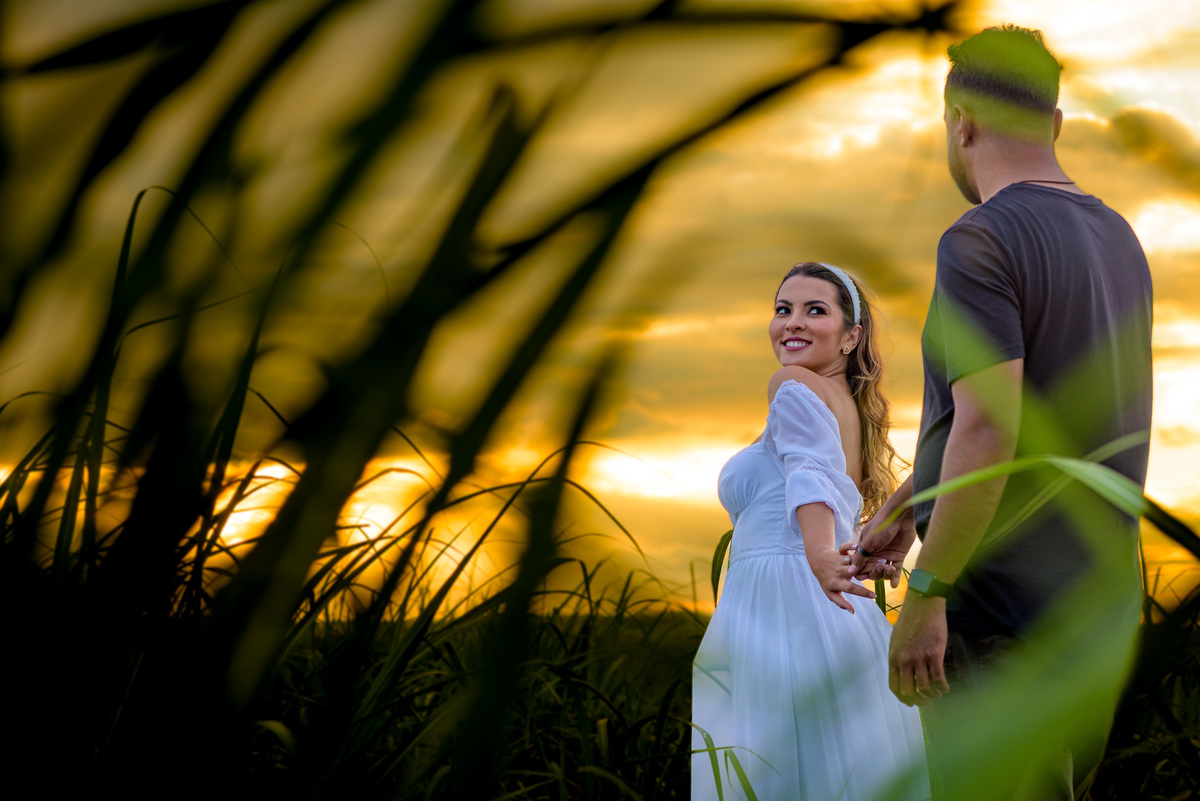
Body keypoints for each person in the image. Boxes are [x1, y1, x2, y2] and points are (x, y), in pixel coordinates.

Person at [852, 25, 1153, 801]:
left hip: (997, 615)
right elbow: (1054, 414)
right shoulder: (1119, 238)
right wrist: (913, 497)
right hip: (1096, 609)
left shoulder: (980, 239)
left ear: (961, 121)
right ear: (1055, 123)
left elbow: (991, 425)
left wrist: (927, 594)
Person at [692, 262, 929, 801]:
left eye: (814, 310)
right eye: (783, 310)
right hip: (842, 615)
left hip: (782, 604)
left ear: (852, 336)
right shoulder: (848, 410)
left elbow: (809, 470)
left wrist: (820, 551)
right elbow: (823, 476)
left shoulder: (792, 384)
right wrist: (847, 548)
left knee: (766, 768)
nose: (791, 323)